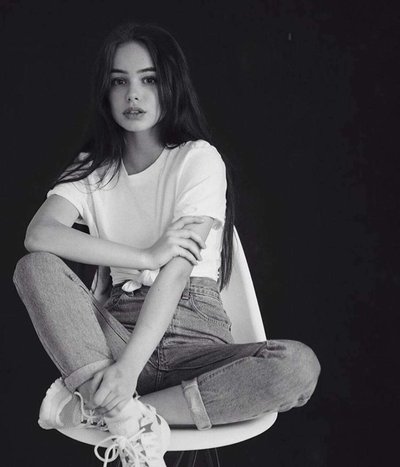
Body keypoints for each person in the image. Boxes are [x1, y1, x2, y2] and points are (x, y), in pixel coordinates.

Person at [13, 22, 321, 467]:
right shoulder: (93, 169)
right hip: (116, 336)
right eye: (119, 81)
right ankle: (119, 408)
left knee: (298, 367)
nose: (133, 95)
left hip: (198, 349)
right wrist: (145, 256)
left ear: (171, 84)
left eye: (149, 79)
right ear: (105, 92)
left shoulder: (198, 158)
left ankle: (116, 411)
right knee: (35, 266)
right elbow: (39, 235)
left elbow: (176, 274)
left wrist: (126, 373)